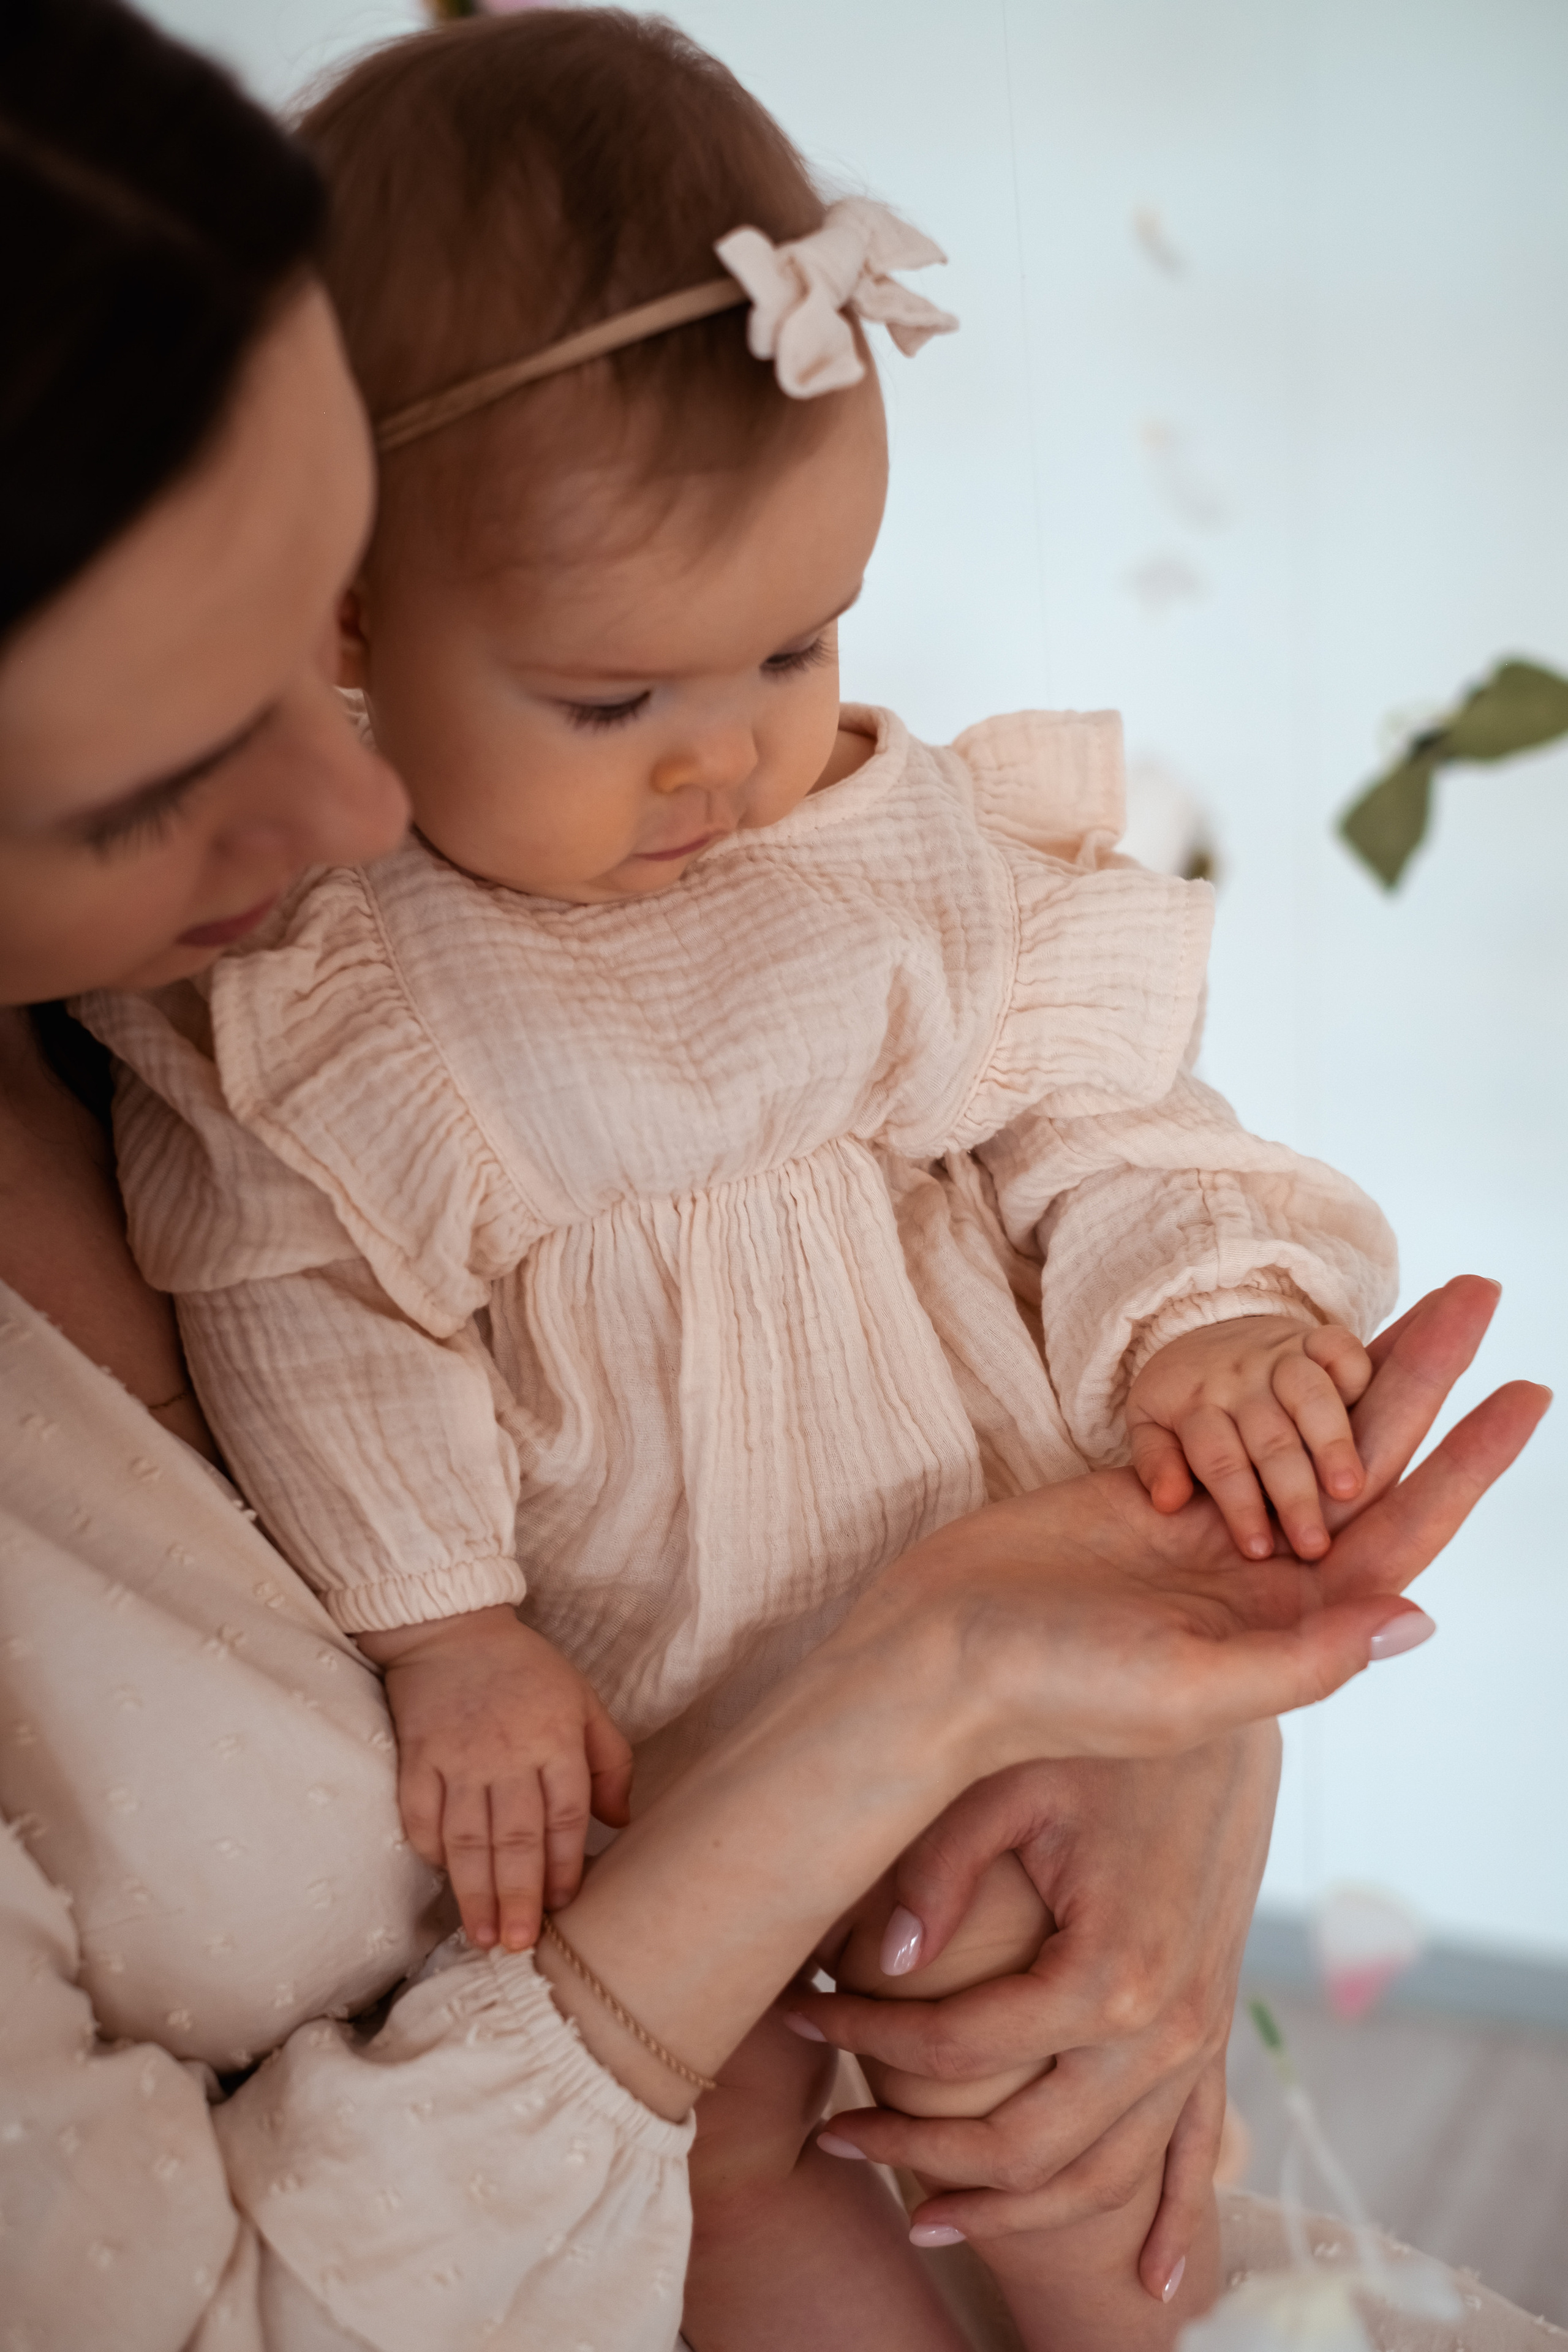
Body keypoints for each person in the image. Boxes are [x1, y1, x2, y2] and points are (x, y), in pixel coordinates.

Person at [0, 4, 1548, 2348]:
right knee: (764, 2183)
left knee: (1085, 2152)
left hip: (984, 1716)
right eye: (608, 703)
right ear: (372, 628)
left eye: (798, 646)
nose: (728, 749)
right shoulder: (342, 1020)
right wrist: (451, 1627)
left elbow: (1102, 1116)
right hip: (664, 1798)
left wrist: (1205, 1363)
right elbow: (313, 1304)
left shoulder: (879, 853)